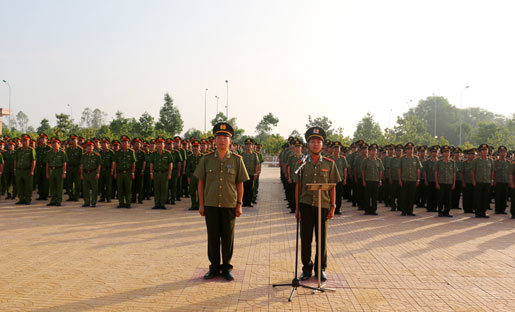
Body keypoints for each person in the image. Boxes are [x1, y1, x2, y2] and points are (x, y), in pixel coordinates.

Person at [194, 122, 249, 281]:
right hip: (211, 204)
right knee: (212, 237)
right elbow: (201, 183)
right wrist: (201, 204)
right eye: (219, 137)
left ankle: (226, 268)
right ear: (214, 140)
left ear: (230, 141)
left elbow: (240, 184)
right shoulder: (206, 159)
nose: (222, 140)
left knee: (227, 237)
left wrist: (239, 204)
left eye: (225, 138)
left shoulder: (237, 160)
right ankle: (214, 268)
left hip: (229, 205)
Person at [295, 127, 340, 282]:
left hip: (323, 206)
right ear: (308, 144)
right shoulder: (301, 163)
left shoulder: (330, 164)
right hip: (306, 205)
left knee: (322, 239)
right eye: (312, 141)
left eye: (318, 141)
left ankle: (320, 269)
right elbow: (298, 187)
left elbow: (333, 186)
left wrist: (333, 206)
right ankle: (306, 268)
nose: (315, 144)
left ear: (322, 145)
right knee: (306, 239)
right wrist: (297, 208)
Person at [399, 142, 423, 216]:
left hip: (413, 180)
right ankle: (404, 211)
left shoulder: (416, 158)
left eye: (411, 149)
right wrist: (400, 179)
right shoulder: (402, 158)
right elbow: (399, 169)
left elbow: (418, 169)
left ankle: (410, 211)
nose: (410, 150)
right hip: (405, 180)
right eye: (408, 149)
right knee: (404, 196)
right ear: (406, 150)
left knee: (411, 196)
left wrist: (418, 179)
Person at [113, 136, 136, 208]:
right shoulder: (118, 152)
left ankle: (128, 203)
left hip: (128, 173)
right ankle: (121, 203)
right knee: (120, 189)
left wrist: (132, 173)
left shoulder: (131, 152)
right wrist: (115, 173)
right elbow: (115, 163)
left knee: (128, 189)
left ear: (128, 143)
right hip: (119, 173)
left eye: (125, 142)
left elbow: (133, 163)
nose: (124, 143)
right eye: (122, 142)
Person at [150, 137, 172, 209]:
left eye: (161, 144)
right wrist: (151, 173)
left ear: (164, 145)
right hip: (156, 173)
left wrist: (169, 174)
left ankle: (162, 204)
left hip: (164, 173)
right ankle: (157, 204)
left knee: (164, 189)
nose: (160, 145)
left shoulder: (168, 153)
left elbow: (170, 164)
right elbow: (151, 164)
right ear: (156, 145)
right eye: (158, 144)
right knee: (156, 189)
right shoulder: (154, 154)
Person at [471, 144, 493, 218]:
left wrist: (492, 180)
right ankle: (477, 213)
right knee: (478, 198)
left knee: (485, 198)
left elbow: (492, 171)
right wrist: (473, 180)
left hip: (487, 182)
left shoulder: (490, 161)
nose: (484, 152)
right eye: (483, 150)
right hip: (478, 181)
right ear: (480, 152)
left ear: (487, 152)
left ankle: (483, 212)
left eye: (485, 150)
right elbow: (473, 171)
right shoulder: (476, 161)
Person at [361, 143, 384, 215]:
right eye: (372, 151)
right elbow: (363, 171)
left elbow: (381, 171)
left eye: (375, 151)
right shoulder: (366, 160)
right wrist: (363, 180)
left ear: (376, 152)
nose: (373, 152)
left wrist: (380, 180)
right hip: (368, 180)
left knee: (375, 197)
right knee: (367, 196)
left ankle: (374, 210)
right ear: (370, 151)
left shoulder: (379, 161)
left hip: (376, 180)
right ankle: (367, 210)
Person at [435, 145, 456, 217]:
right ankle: (440, 211)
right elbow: (436, 173)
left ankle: (446, 212)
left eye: (448, 152)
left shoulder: (452, 162)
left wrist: (454, 183)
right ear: (442, 153)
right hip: (441, 183)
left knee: (448, 199)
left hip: (449, 183)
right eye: (445, 152)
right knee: (440, 198)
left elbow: (454, 173)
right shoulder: (439, 162)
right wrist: (437, 183)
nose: (447, 153)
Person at [14, 134, 36, 205]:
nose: (24, 142)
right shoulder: (18, 150)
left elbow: (33, 161)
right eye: (23, 140)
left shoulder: (31, 150)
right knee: (20, 185)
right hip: (19, 170)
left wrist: (32, 170)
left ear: (29, 141)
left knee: (28, 186)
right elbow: (15, 160)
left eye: (26, 140)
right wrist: (15, 169)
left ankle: (27, 199)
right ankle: (21, 199)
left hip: (27, 170)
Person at [45, 138, 68, 206]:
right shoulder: (49, 153)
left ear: (59, 144)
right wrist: (47, 173)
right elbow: (47, 163)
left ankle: (59, 201)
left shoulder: (62, 152)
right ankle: (52, 200)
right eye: (53, 143)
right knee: (52, 186)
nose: (54, 144)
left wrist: (64, 172)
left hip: (59, 170)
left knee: (59, 186)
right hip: (52, 170)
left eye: (56, 143)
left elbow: (64, 163)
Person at [80, 140, 101, 207]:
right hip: (86, 173)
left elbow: (99, 165)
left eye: (90, 146)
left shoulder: (97, 155)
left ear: (93, 147)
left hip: (93, 173)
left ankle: (93, 202)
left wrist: (98, 173)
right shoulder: (84, 155)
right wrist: (81, 174)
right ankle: (86, 202)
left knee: (94, 189)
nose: (89, 147)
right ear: (86, 147)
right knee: (85, 189)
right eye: (87, 146)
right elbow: (82, 165)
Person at [242, 138, 259, 207]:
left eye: (250, 145)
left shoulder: (254, 155)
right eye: (247, 145)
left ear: (252, 146)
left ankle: (249, 202)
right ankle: (244, 202)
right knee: (244, 188)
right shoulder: (242, 154)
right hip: (243, 174)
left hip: (251, 174)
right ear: (245, 146)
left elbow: (257, 164)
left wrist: (256, 173)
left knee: (250, 188)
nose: (248, 146)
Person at [186, 139, 203, 210]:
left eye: (197, 146)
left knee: (200, 191)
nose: (196, 148)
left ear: (200, 147)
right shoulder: (190, 157)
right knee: (192, 191)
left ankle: (199, 205)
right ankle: (193, 205)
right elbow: (188, 167)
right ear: (192, 148)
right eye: (194, 147)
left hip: (200, 175)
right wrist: (188, 177)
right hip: (192, 175)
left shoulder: (203, 157)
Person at [493, 146, 510, 214]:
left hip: (506, 181)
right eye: (501, 152)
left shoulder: (508, 162)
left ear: (506, 153)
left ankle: (503, 210)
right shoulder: (495, 162)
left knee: (504, 196)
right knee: (498, 196)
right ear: (499, 153)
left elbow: (509, 173)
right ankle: (497, 210)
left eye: (504, 152)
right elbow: (493, 172)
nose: (503, 153)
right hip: (498, 181)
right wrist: (494, 180)